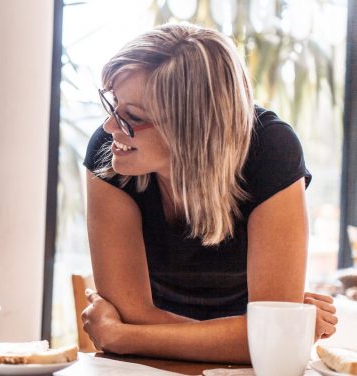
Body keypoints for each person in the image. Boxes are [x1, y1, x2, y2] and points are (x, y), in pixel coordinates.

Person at [81, 23, 338, 363]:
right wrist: (250, 335)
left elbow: (273, 341)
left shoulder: (271, 150)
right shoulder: (111, 153)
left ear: (191, 127)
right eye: (112, 103)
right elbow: (272, 336)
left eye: (132, 116)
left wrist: (123, 336)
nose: (109, 126)